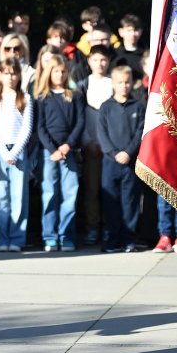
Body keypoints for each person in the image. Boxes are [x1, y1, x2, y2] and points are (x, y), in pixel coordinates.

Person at [35, 54, 84, 252]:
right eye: (56, 71)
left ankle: (66, 236)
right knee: (49, 194)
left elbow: (80, 123)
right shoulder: (42, 98)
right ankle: (50, 236)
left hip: (68, 151)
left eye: (63, 71)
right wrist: (53, 150)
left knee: (69, 194)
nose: (60, 74)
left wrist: (66, 146)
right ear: (49, 72)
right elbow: (40, 127)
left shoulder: (75, 95)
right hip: (49, 153)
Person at [0, 56, 34, 252]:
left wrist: (14, 151)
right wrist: (4, 152)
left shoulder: (25, 98)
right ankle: (1, 238)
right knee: (0, 196)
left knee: (19, 196)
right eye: (6, 73)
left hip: (18, 152)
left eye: (14, 73)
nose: (10, 77)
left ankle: (17, 238)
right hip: (0, 151)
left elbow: (26, 128)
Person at [97, 66, 144, 253]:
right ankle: (112, 239)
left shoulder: (138, 106)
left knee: (130, 202)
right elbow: (102, 134)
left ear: (131, 83)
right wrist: (114, 152)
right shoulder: (106, 107)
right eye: (120, 82)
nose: (124, 86)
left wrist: (128, 153)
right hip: (110, 162)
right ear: (113, 84)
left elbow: (140, 133)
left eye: (127, 82)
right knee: (111, 202)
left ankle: (128, 239)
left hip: (130, 163)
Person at [76, 45, 112, 246]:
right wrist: (86, 142)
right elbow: (80, 117)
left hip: (111, 149)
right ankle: (92, 227)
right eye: (96, 59)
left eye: (104, 59)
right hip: (90, 146)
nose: (100, 64)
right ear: (89, 61)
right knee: (91, 190)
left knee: (109, 189)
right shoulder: (83, 85)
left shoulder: (113, 83)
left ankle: (109, 227)